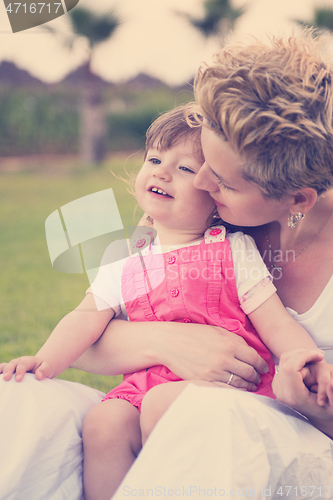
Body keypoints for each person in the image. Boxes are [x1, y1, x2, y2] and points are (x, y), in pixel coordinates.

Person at [0, 29, 333, 500]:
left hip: (275, 439)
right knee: (30, 407)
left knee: (182, 411)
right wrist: (169, 342)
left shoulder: (228, 247)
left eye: (218, 179)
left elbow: (278, 330)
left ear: (296, 197)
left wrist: (311, 393)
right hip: (155, 394)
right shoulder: (164, 241)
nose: (198, 181)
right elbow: (92, 332)